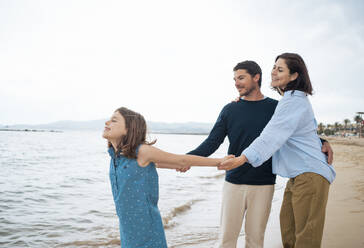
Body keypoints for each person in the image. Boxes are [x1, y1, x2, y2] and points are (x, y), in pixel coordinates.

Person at [172, 60, 333, 248]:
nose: (236, 83)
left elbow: (295, 131)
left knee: (255, 240)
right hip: (234, 181)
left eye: (241, 78)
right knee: (226, 239)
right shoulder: (230, 109)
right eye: (234, 79)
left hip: (264, 183)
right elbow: (212, 143)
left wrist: (322, 142)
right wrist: (187, 160)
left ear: (256, 77)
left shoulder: (277, 107)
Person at [219, 53, 336, 248]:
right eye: (274, 67)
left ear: (294, 76)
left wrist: (242, 159)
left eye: (280, 69)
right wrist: (322, 140)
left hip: (310, 174)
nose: (274, 72)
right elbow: (303, 130)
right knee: (289, 234)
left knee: (305, 239)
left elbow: (271, 136)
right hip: (298, 175)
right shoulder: (289, 102)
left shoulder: (294, 101)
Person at [102, 107, 233, 248]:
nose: (107, 122)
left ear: (129, 129)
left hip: (147, 227)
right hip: (127, 228)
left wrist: (219, 162)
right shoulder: (116, 157)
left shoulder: (143, 151)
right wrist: (175, 165)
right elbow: (159, 164)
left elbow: (181, 160)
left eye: (114, 120)